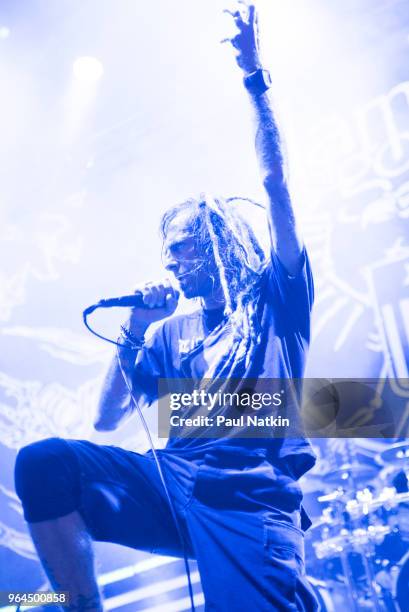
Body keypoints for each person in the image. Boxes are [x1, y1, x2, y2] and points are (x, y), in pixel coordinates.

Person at [14, 4, 318, 611]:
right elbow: (106, 420)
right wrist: (134, 329)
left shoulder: (274, 300)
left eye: (185, 250)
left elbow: (276, 184)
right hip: (171, 486)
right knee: (46, 464)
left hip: (247, 500)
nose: (172, 263)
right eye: (169, 253)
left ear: (220, 246)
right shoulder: (168, 333)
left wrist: (255, 81)